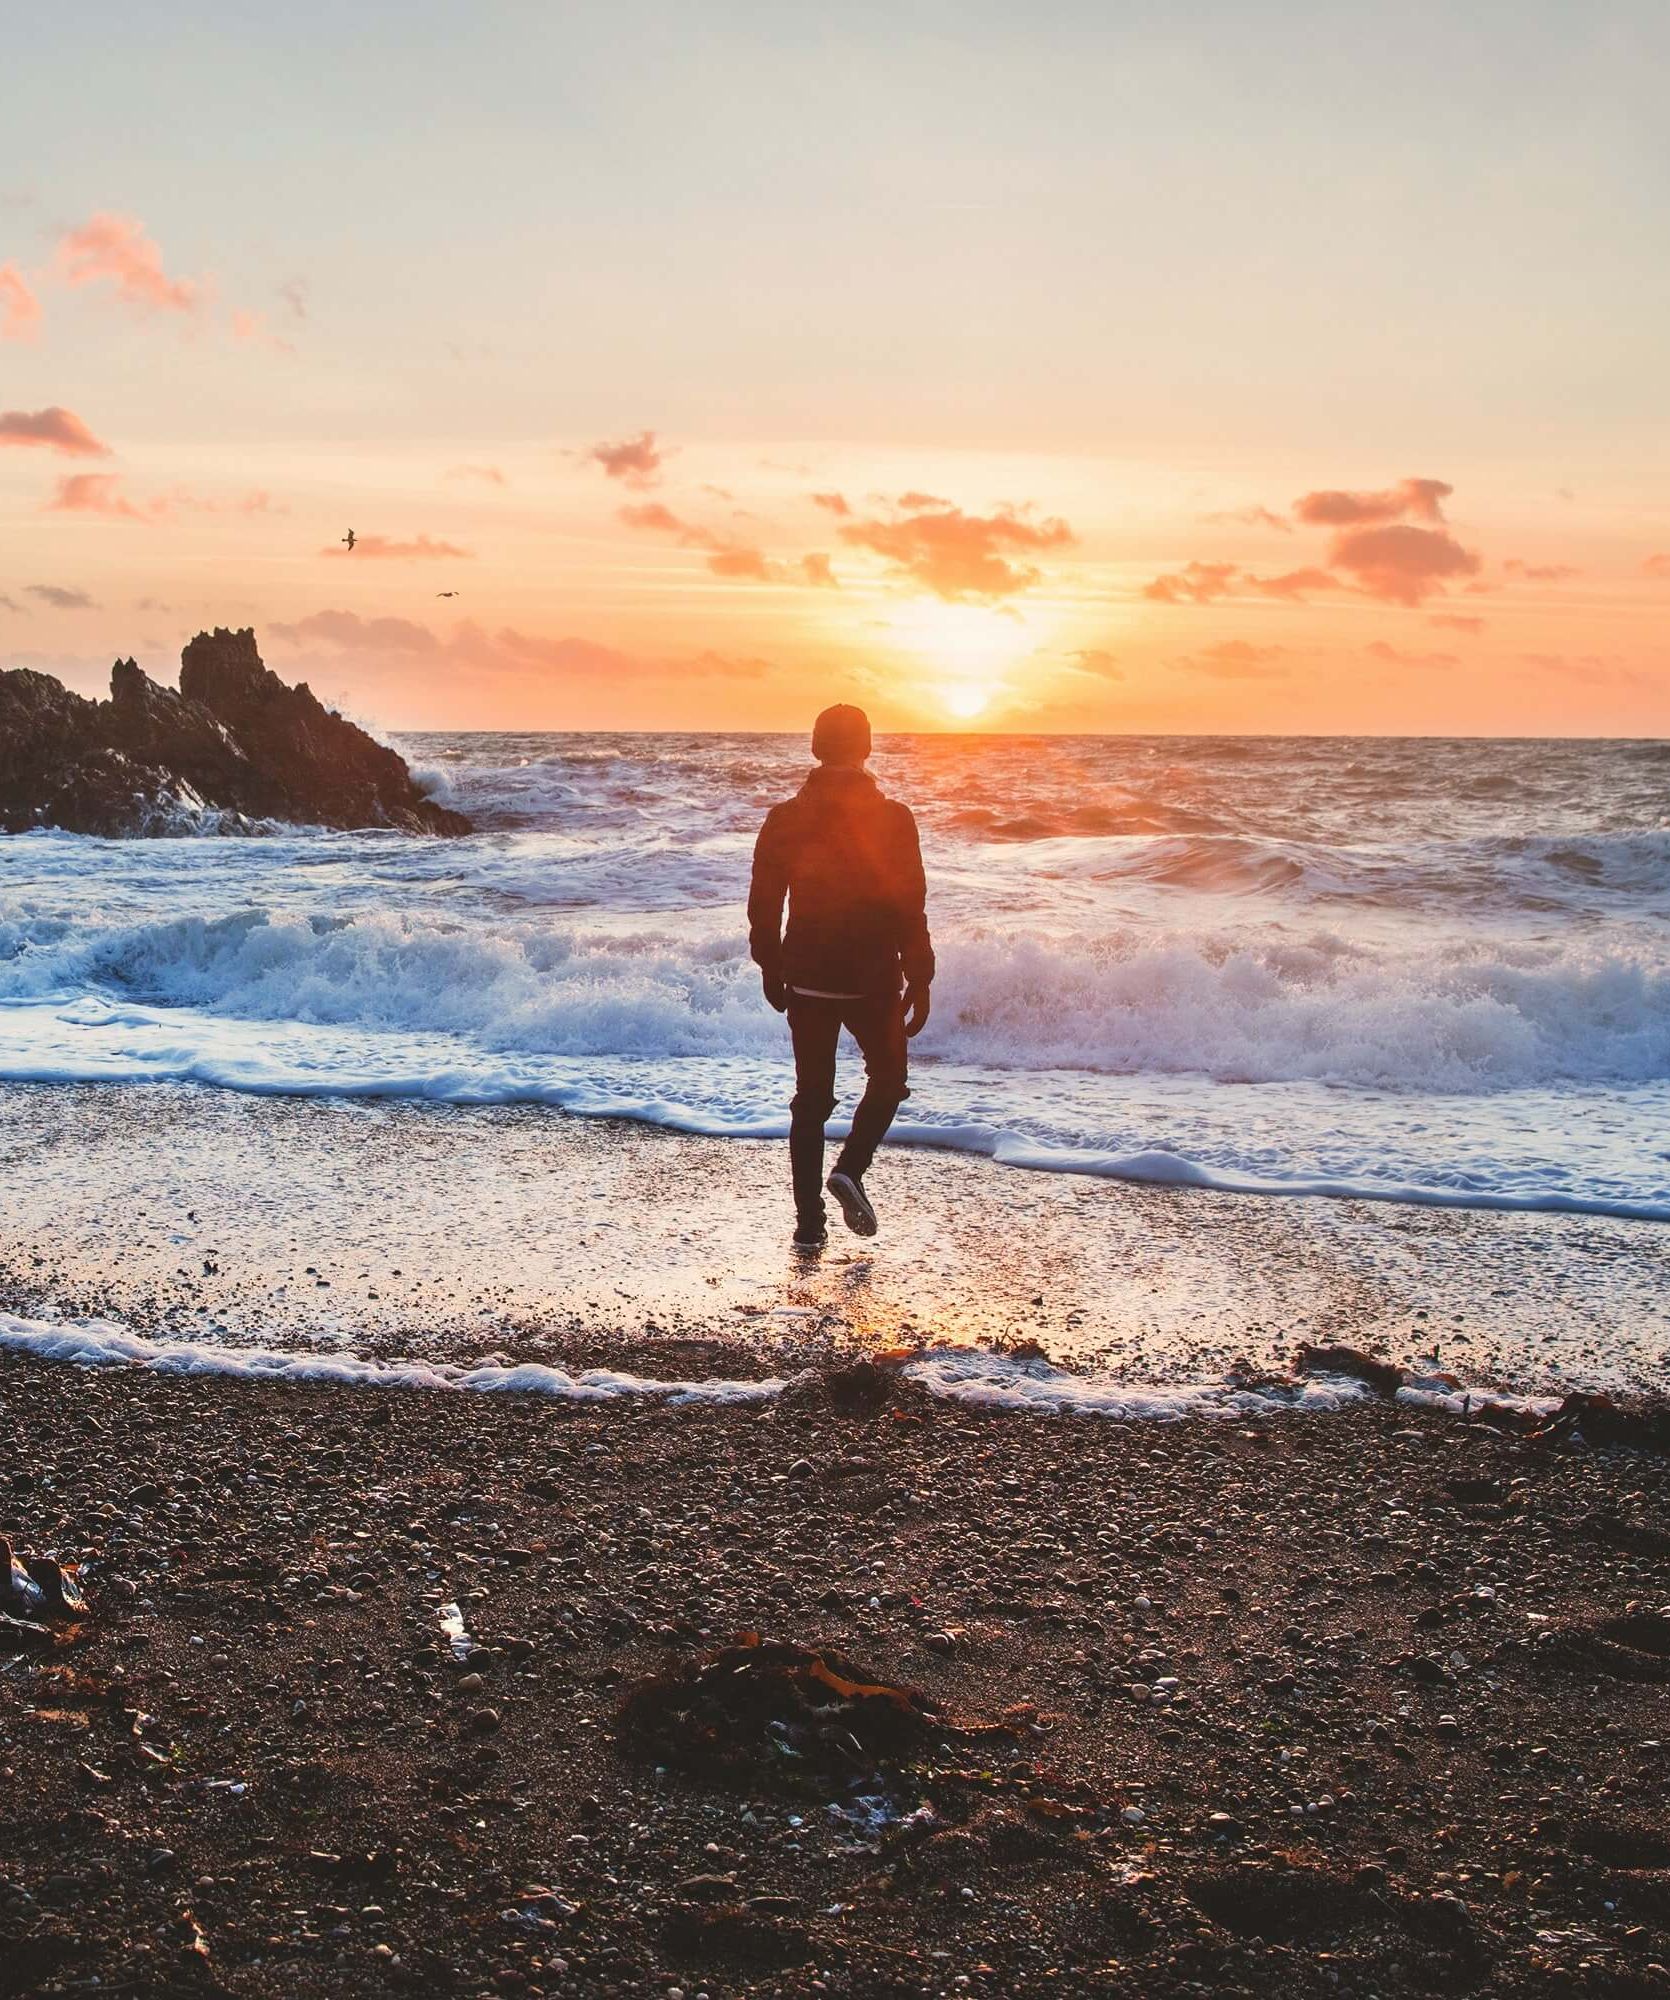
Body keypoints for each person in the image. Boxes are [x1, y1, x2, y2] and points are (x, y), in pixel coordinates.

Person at [748, 703, 934, 1249]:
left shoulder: (785, 817)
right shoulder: (893, 817)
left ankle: (809, 1224)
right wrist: (919, 976)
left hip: (805, 973)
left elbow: (764, 900)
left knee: (811, 1101)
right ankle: (850, 1169)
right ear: (867, 748)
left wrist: (770, 964)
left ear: (814, 746)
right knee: (889, 1079)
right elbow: (910, 903)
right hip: (872, 975)